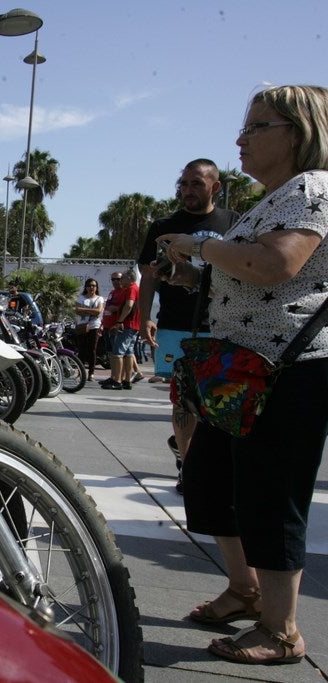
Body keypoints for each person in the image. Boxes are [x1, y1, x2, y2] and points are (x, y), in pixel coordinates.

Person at [160, 84, 328, 666]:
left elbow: (275, 263)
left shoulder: (312, 189)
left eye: (257, 126)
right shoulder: (273, 197)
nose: (241, 138)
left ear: (299, 132)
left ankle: (282, 631)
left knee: (269, 494)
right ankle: (244, 588)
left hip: (287, 369)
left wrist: (202, 246)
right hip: (241, 368)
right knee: (210, 485)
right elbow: (248, 271)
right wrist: (190, 273)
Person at [137, 159, 239, 493]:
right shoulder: (165, 226)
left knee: (220, 402)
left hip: (225, 324)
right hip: (177, 324)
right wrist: (145, 316)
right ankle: (188, 465)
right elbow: (149, 277)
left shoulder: (233, 222)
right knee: (183, 400)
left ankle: (212, 464)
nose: (187, 190)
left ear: (215, 187)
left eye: (196, 183)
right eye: (183, 184)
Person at [101, 270, 140, 390]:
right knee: (128, 353)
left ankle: (117, 380)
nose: (120, 280)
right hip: (132, 325)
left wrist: (119, 321)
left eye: (122, 278)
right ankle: (127, 380)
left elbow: (129, 305)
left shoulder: (131, 289)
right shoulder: (132, 288)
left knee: (117, 352)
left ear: (129, 278)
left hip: (128, 324)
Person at [73, 278, 104, 381]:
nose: (92, 287)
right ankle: (80, 372)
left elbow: (98, 311)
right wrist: (92, 311)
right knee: (81, 350)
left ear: (96, 287)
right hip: (82, 326)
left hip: (94, 325)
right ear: (86, 287)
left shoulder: (100, 298)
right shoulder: (81, 298)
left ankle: (91, 373)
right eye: (89, 285)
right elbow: (77, 310)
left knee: (92, 350)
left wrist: (84, 310)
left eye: (94, 286)